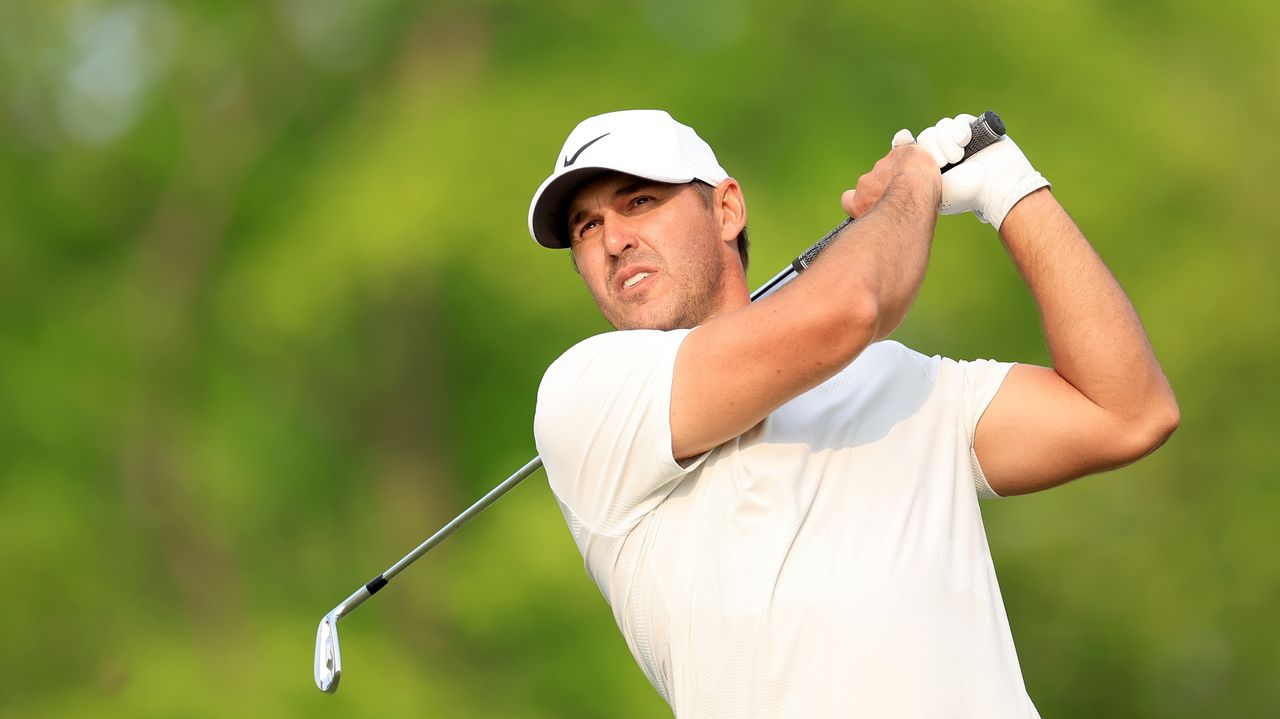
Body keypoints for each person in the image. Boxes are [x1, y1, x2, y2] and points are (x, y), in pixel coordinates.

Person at [526, 109, 1178, 717]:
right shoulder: (584, 396)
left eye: (640, 201)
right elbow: (853, 308)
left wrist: (1013, 189)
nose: (613, 240)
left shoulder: (907, 384)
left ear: (726, 208)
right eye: (586, 227)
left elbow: (1127, 411)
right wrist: (913, 185)